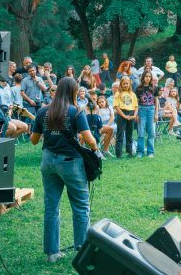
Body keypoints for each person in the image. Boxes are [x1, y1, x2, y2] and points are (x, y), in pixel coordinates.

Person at [30, 77, 98, 262]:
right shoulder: (76, 112)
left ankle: (52, 253)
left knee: (51, 207)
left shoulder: (43, 111)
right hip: (71, 164)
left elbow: (34, 140)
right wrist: (95, 149)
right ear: (73, 91)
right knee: (81, 206)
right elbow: (90, 140)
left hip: (48, 161)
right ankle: (81, 251)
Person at [135, 71, 159, 158]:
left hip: (151, 110)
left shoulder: (154, 88)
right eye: (146, 76)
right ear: (143, 77)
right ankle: (140, 152)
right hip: (142, 110)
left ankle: (150, 152)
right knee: (141, 131)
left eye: (149, 76)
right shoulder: (139, 88)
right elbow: (136, 103)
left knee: (151, 132)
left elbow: (156, 101)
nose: (148, 78)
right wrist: (136, 114)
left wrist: (156, 113)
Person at [113, 76, 138, 159]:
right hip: (122, 114)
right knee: (120, 134)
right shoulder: (118, 93)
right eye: (124, 84)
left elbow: (136, 106)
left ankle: (129, 152)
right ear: (121, 84)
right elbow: (116, 107)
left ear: (130, 84)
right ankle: (118, 154)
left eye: (127, 83)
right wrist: (124, 116)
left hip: (131, 114)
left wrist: (134, 115)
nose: (125, 85)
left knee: (129, 134)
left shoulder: (132, 94)